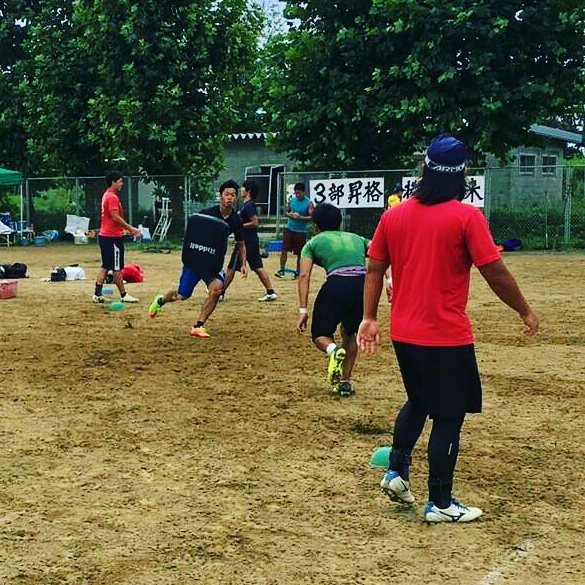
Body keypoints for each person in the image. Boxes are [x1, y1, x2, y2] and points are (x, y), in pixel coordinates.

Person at [357, 134, 539, 523]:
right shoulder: (466, 217)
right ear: (462, 173)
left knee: (419, 401)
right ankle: (440, 503)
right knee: (449, 415)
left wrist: (369, 317)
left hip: (404, 333)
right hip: (444, 336)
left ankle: (396, 472)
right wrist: (524, 310)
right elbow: (495, 272)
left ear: (425, 169)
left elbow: (373, 269)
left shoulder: (394, 216)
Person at [148, 180, 247, 338]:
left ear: (236, 198)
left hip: (212, 263)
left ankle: (198, 325)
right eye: (227, 194)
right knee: (182, 295)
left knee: (217, 290)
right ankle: (161, 300)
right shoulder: (206, 213)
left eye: (233, 195)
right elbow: (192, 234)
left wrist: (243, 264)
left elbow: (241, 244)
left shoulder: (236, 220)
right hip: (195, 261)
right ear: (220, 196)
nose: (229, 198)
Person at [296, 203, 370, 397]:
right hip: (362, 286)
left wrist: (303, 310)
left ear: (315, 225)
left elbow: (304, 276)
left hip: (337, 283)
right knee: (351, 333)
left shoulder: (312, 243)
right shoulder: (358, 238)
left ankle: (333, 350)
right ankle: (345, 382)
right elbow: (381, 252)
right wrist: (390, 280)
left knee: (320, 335)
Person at [221, 179, 278, 302]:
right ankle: (270, 292)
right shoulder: (246, 205)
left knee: (231, 268)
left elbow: (255, 222)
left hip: (246, 242)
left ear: (248, 191)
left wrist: (239, 226)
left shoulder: (248, 205)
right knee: (257, 267)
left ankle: (221, 292)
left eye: (243, 188)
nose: (241, 190)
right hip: (251, 241)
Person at [93, 171, 142, 304]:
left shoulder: (106, 195)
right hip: (112, 237)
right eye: (120, 181)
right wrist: (131, 229)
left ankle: (97, 294)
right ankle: (123, 294)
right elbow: (115, 217)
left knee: (106, 266)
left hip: (106, 236)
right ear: (113, 182)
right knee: (116, 267)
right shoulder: (112, 197)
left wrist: (123, 230)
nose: (121, 184)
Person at [275, 182, 313, 279]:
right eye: (296, 193)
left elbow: (311, 217)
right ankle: (281, 270)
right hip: (289, 228)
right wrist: (291, 215)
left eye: (299, 193)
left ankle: (298, 271)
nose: (297, 195)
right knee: (284, 249)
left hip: (301, 231)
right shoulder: (292, 200)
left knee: (300, 253)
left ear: (304, 192)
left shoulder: (309, 203)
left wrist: (300, 217)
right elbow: (286, 212)